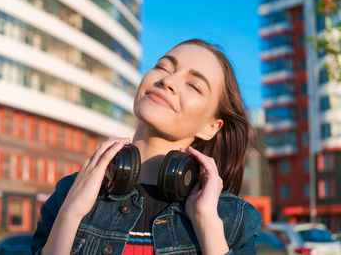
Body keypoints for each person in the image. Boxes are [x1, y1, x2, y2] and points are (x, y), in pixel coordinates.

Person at [31, 39, 262, 255]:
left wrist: (207, 223)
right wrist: (72, 212)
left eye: (194, 85)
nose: (168, 81)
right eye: (163, 67)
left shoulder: (231, 219)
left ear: (211, 127)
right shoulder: (70, 192)